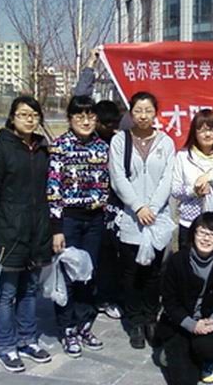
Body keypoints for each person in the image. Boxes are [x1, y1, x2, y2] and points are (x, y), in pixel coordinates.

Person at [0, 96, 52, 373]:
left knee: (30, 290)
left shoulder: (43, 149)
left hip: (38, 230)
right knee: (7, 292)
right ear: (12, 118)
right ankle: (5, 344)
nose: (29, 119)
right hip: (9, 232)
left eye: (34, 115)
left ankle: (27, 339)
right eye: (23, 114)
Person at [109, 91, 176, 349]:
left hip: (157, 218)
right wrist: (138, 207)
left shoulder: (166, 142)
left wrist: (153, 208)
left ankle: (151, 318)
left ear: (155, 113)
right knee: (131, 273)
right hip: (131, 218)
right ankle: (135, 321)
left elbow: (168, 178)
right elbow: (118, 178)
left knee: (154, 272)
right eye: (138, 110)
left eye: (148, 110)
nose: (143, 116)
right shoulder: (120, 141)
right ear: (130, 113)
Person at [47, 95, 110, 358]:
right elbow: (53, 188)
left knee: (89, 274)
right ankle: (67, 328)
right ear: (70, 119)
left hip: (95, 219)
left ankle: (84, 323)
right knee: (68, 275)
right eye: (79, 116)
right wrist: (57, 228)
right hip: (69, 219)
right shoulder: (60, 146)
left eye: (90, 116)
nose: (85, 122)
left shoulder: (102, 146)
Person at [159, 212, 213, 385]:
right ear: (193, 233)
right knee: (184, 380)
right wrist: (191, 325)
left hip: (206, 321)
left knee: (208, 348)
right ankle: (173, 353)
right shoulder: (177, 261)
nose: (206, 239)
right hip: (180, 322)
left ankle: (206, 360)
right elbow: (169, 301)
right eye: (202, 233)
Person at [172, 109, 213, 249]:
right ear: (194, 133)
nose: (207, 134)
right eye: (202, 130)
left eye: (211, 130)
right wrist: (194, 191)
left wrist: (212, 179)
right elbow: (175, 190)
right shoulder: (183, 157)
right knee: (188, 261)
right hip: (190, 224)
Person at [93, 99, 125, 320]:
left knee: (110, 254)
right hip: (90, 208)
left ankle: (107, 296)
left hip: (113, 207)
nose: (111, 128)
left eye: (115, 123)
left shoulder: (117, 141)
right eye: (107, 124)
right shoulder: (90, 142)